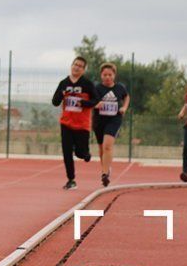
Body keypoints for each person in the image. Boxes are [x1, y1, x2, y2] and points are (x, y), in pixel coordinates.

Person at [51, 56, 96, 190]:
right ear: (71, 66)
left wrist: (83, 103)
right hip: (66, 123)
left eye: (80, 66)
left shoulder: (87, 84)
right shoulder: (64, 83)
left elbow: (96, 100)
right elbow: (55, 102)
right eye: (75, 64)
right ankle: (71, 179)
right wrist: (61, 94)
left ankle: (86, 154)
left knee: (80, 153)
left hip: (82, 124)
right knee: (67, 152)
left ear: (84, 69)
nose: (76, 67)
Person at [92, 63, 130, 187]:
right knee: (101, 148)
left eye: (110, 75)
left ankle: (104, 174)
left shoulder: (119, 88)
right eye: (105, 75)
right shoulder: (97, 88)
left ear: (114, 75)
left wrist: (124, 107)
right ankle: (106, 168)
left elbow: (126, 97)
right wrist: (95, 105)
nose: (107, 77)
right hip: (99, 121)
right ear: (101, 76)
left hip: (114, 119)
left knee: (107, 146)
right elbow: (90, 101)